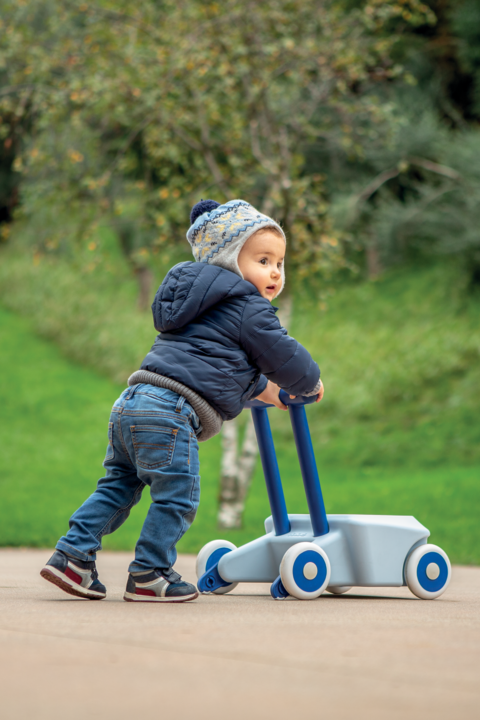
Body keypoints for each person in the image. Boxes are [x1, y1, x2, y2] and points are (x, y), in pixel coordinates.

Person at [40, 198, 324, 603]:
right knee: (177, 495)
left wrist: (269, 391)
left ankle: (72, 556)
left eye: (280, 263)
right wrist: (309, 382)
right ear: (228, 260)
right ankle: (149, 573)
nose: (275, 272)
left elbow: (220, 364)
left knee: (118, 486)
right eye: (263, 260)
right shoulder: (249, 306)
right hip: (171, 413)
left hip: (132, 403)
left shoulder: (195, 305)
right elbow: (281, 354)